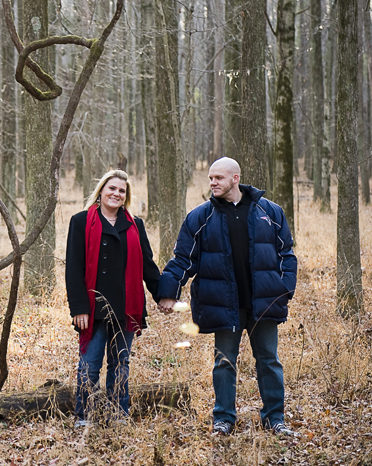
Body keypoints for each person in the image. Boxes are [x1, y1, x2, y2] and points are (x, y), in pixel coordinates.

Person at [158, 157, 299, 437]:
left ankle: (275, 418)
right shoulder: (200, 216)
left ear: (235, 178)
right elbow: (183, 258)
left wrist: (284, 290)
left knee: (269, 360)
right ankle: (223, 418)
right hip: (224, 304)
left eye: (218, 178)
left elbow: (287, 255)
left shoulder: (269, 211)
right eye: (210, 178)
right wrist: (168, 292)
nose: (213, 183)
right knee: (224, 362)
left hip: (264, 302)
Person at [65, 169, 168, 428]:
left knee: (120, 364)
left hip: (126, 308)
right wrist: (78, 307)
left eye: (122, 190)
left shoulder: (135, 225)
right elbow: (73, 270)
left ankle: (118, 414)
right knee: (89, 365)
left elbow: (148, 266)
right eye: (112, 188)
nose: (116, 194)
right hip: (92, 309)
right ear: (101, 191)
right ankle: (84, 417)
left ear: (126, 196)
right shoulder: (80, 222)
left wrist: (163, 295)